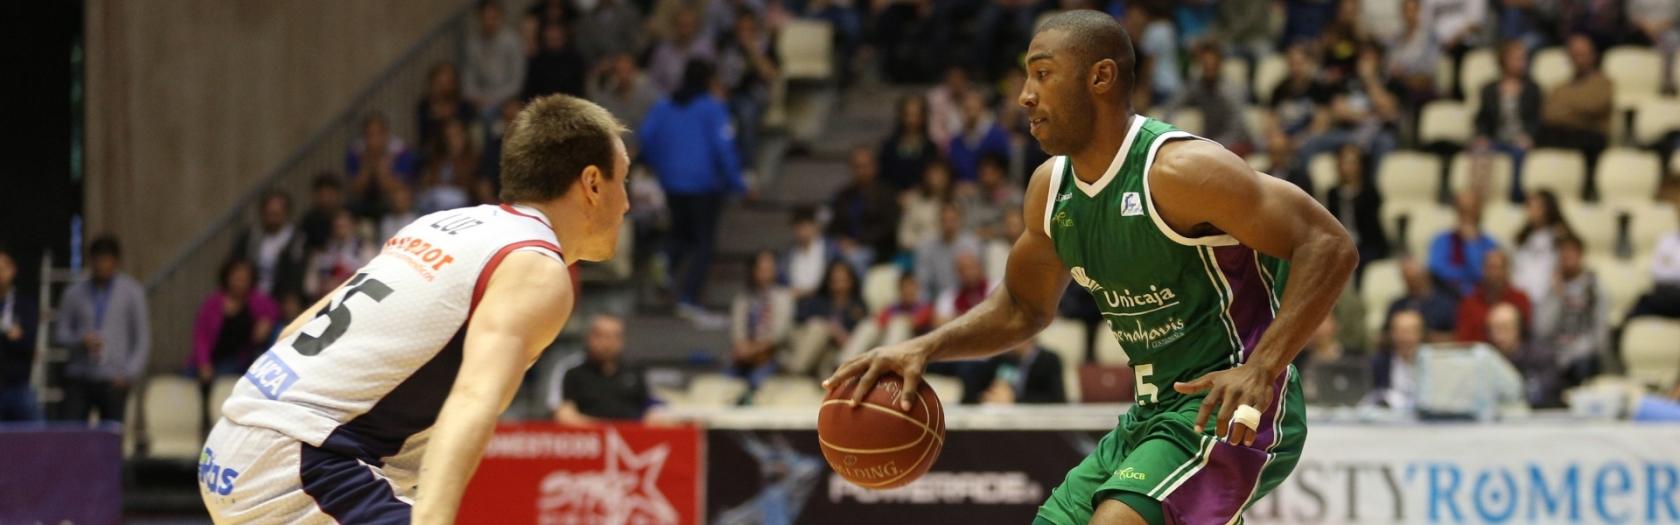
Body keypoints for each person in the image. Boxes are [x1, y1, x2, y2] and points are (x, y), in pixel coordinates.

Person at [827, 12, 1357, 525]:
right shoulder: (1050, 191)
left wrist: (1262, 368)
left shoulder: (1180, 171)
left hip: (1228, 410)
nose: (1024, 95)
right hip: (1149, 418)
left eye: (1042, 73)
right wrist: (924, 346)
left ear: (1100, 77)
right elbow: (1022, 307)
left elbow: (1329, 244)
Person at [199, 94, 630, 522]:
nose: (627, 203)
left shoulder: (441, 225)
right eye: (622, 181)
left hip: (239, 435)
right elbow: (473, 398)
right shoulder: (537, 266)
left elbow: (299, 326)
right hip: (304, 462)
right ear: (593, 183)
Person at [638, 60, 745, 325]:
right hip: (703, 186)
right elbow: (723, 147)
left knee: (681, 232)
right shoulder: (712, 107)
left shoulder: (664, 105)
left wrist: (660, 166)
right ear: (709, 80)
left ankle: (666, 259)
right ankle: (689, 299)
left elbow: (646, 136)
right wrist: (738, 183)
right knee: (703, 243)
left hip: (672, 184)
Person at [56, 235, 150, 424]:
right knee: (72, 432)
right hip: (80, 376)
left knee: (112, 436)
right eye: (98, 260)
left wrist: (129, 373)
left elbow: (142, 338)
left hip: (114, 378)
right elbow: (60, 334)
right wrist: (80, 340)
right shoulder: (73, 292)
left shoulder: (131, 291)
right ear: (91, 261)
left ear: (115, 261)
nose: (102, 265)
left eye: (107, 260)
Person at [1532, 235, 1606, 394]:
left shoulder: (1593, 287)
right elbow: (1542, 330)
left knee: (1582, 366)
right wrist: (1557, 296)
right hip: (1554, 353)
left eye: (1572, 252)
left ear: (1581, 255)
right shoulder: (1551, 288)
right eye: (1563, 253)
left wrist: (1576, 352)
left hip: (1583, 353)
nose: (1567, 257)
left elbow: (1600, 334)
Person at [553, 315, 657, 424]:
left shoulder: (635, 372)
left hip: (632, 436)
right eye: (600, 335)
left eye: (614, 336)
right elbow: (564, 414)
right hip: (589, 437)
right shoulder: (573, 373)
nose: (607, 342)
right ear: (588, 337)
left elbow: (650, 408)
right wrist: (604, 431)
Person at [1472, 40, 1541, 201]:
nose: (1522, 62)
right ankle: (1479, 197)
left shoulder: (1532, 88)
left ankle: (1516, 197)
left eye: (1524, 58)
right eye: (1517, 58)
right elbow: (1483, 118)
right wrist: (1481, 136)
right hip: (1496, 139)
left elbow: (1536, 119)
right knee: (1479, 151)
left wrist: (1529, 136)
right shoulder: (1489, 89)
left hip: (1519, 140)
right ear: (1504, 60)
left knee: (1518, 152)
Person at [191, 259, 280, 383]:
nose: (239, 283)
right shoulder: (212, 303)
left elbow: (274, 310)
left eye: (244, 279)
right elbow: (201, 337)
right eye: (236, 278)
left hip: (238, 361)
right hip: (210, 359)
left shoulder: (256, 300)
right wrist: (204, 363)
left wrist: (267, 321)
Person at [1537, 34, 1612, 175]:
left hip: (1590, 137)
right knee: (1543, 134)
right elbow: (1548, 112)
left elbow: (1594, 105)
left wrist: (1565, 108)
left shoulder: (1603, 83)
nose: (1579, 59)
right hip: (1561, 135)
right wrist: (1577, 111)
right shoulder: (1560, 87)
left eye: (1582, 54)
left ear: (1593, 55)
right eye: (1575, 55)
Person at [826, 146, 901, 270]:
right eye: (857, 167)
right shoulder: (843, 195)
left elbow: (887, 227)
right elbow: (834, 225)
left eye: (865, 166)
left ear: (875, 167)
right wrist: (840, 240)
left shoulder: (887, 193)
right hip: (844, 247)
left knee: (855, 259)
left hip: (877, 249)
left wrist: (858, 242)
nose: (861, 171)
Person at [789, 261, 868, 377]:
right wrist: (828, 327)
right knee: (818, 326)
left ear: (851, 281)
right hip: (813, 348)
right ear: (828, 281)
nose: (840, 284)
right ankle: (797, 367)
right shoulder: (818, 301)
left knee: (830, 365)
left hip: (839, 352)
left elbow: (861, 339)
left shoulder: (859, 307)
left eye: (844, 280)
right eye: (835, 280)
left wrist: (837, 333)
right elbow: (803, 323)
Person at [731, 251, 796, 386]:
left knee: (755, 381)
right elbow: (738, 332)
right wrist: (743, 350)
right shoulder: (742, 300)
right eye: (762, 270)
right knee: (725, 380)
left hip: (774, 357)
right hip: (744, 358)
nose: (766, 274)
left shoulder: (784, 297)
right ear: (754, 271)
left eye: (769, 270)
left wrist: (753, 351)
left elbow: (778, 336)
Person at [229, 190, 308, 299]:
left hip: (281, 295)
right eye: (269, 213)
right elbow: (236, 262)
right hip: (250, 294)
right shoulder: (250, 236)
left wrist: (291, 295)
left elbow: (298, 271)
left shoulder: (296, 239)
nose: (272, 218)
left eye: (276, 214)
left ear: (285, 213)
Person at [1323, 144, 1388, 274]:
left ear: (1360, 166)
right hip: (1340, 244)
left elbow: (1372, 229)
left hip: (1366, 244)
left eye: (1352, 162)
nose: (1348, 167)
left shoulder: (1370, 192)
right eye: (1344, 162)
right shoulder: (1333, 193)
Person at [345, 113, 418, 220]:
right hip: (364, 203)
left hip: (389, 203)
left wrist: (382, 169)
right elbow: (355, 189)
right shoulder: (356, 152)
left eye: (378, 134)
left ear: (386, 134)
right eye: (369, 135)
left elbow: (401, 187)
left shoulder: (401, 151)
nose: (373, 140)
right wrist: (367, 166)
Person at [1428, 191, 1500, 298]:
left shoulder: (1489, 243)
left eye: (1471, 209)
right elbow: (1437, 270)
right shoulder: (1441, 240)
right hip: (1446, 296)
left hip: (1480, 299)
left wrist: (1471, 244)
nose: (1467, 215)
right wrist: (1465, 276)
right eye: (1463, 210)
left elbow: (1485, 274)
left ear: (1479, 211)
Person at [464, 0, 527, 116]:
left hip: (507, 98)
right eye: (485, 18)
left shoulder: (512, 40)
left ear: (501, 17)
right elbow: (469, 78)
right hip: (481, 98)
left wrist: (493, 99)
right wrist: (476, 97)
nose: (489, 22)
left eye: (493, 17)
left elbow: (517, 81)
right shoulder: (473, 43)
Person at [1454, 250, 1532, 343]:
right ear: (1483, 270)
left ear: (1507, 270)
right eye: (1490, 268)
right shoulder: (1469, 302)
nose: (1495, 273)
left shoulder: (1520, 299)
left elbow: (1526, 338)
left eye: (1499, 268)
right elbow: (1464, 340)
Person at [585, 53, 660, 149]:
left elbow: (655, 130)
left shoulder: (648, 98)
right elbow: (591, 98)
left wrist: (637, 149)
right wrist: (596, 73)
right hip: (615, 151)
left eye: (627, 71)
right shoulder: (606, 99)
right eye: (618, 72)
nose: (623, 76)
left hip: (644, 152)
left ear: (634, 72)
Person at [0, 247, 40, 422]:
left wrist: (17, 337)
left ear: (13, 270)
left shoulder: (25, 304)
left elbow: (29, 341)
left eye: (2, 268)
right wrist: (9, 334)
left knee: (35, 431)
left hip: (18, 384)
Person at [1509, 190, 1571, 302]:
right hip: (1520, 297)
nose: (1532, 211)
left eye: (1538, 207)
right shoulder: (1520, 239)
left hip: (1546, 298)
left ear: (1549, 209)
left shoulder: (1560, 237)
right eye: (1529, 206)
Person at [416, 119, 487, 213]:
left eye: (455, 135)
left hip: (461, 199)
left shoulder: (473, 157)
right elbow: (428, 180)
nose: (452, 139)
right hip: (436, 196)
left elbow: (468, 184)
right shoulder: (438, 157)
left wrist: (456, 155)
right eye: (448, 136)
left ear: (464, 135)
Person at [914, 203, 981, 301]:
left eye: (952, 220)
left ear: (960, 221)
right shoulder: (926, 248)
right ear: (938, 222)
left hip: (969, 299)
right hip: (938, 302)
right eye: (944, 220)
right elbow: (922, 284)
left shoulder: (972, 244)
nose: (948, 224)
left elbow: (980, 278)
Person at [304, 211, 377, 300]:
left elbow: (371, 280)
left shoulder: (366, 249)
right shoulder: (322, 251)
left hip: (355, 299)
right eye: (337, 227)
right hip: (326, 300)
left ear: (353, 226)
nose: (341, 231)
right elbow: (309, 286)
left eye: (344, 226)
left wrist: (343, 283)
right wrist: (323, 285)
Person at [1386, 257, 1459, 340]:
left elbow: (1456, 336)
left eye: (1415, 278)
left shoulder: (1445, 305)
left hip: (1436, 351)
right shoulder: (1398, 305)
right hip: (1402, 351)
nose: (1412, 282)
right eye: (1408, 279)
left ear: (1425, 276)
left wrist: (1423, 336)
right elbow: (1383, 336)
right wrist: (1401, 335)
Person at [970, 342, 1067, 405]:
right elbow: (973, 395)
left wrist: (1014, 400)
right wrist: (988, 397)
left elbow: (1057, 399)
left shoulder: (1049, 360)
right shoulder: (1000, 359)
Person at [1368, 308, 1427, 411]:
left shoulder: (1433, 364)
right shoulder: (1379, 363)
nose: (1405, 338)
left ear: (1420, 334)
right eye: (1400, 332)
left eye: (1410, 332)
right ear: (1392, 334)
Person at [947, 91, 1013, 183]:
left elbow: (1005, 169)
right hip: (963, 192)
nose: (970, 114)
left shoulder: (997, 136)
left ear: (982, 109)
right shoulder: (956, 142)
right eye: (966, 109)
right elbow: (953, 171)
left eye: (973, 108)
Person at [879, 95, 940, 191]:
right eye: (907, 115)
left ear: (923, 117)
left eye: (915, 115)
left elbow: (934, 178)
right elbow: (884, 177)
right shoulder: (889, 146)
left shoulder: (930, 147)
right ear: (900, 116)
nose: (911, 120)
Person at [416, 62, 478, 151]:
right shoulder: (425, 105)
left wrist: (451, 114)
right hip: (434, 151)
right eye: (439, 82)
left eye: (448, 81)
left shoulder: (464, 105)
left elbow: (469, 125)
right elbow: (424, 134)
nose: (444, 86)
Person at [521, 22, 587, 101]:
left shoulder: (575, 60)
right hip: (542, 103)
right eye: (551, 39)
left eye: (557, 39)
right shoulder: (536, 60)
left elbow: (578, 88)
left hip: (569, 102)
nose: (554, 43)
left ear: (564, 38)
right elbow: (530, 88)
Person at [897, 162, 953, 253]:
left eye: (940, 174)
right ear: (925, 177)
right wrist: (921, 246)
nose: (936, 178)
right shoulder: (914, 201)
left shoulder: (955, 201)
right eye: (933, 174)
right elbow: (904, 234)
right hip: (916, 251)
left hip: (949, 252)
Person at [784, 207, 831, 298]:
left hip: (823, 299)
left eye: (806, 226)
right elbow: (783, 280)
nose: (802, 231)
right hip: (795, 298)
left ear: (815, 226)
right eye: (798, 227)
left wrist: (814, 292)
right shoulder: (788, 254)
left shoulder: (830, 249)